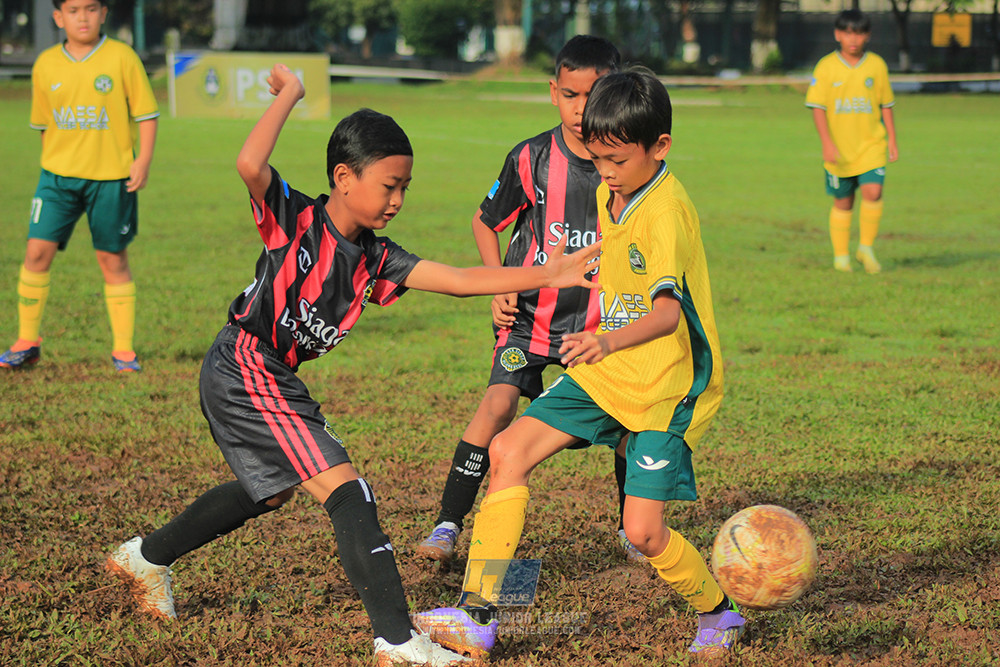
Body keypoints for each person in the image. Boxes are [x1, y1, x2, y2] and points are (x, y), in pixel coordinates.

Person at [104, 64, 599, 666]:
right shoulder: (297, 219)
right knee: (348, 489)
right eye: (389, 185)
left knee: (271, 493)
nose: (397, 199)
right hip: (244, 364)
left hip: (272, 375)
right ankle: (396, 640)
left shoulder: (376, 258)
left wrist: (550, 272)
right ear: (344, 178)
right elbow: (249, 166)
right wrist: (291, 94)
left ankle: (146, 557)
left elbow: (463, 279)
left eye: (405, 188)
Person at [413, 67, 745, 659]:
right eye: (597, 160)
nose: (606, 173)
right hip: (606, 374)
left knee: (644, 533)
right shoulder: (609, 189)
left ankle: (719, 616)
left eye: (617, 160)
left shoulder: (666, 213)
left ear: (659, 147)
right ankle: (478, 616)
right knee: (507, 450)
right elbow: (618, 270)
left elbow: (667, 314)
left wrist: (604, 341)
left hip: (664, 388)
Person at [414, 35, 643, 566]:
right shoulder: (531, 157)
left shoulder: (628, 164)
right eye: (570, 94)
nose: (582, 108)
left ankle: (632, 528)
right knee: (496, 407)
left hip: (597, 327)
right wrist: (501, 282)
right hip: (529, 321)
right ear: (553, 91)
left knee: (630, 425)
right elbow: (485, 220)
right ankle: (447, 524)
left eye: (594, 94)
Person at [0, 0, 158, 371]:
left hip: (111, 179)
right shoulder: (46, 64)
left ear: (103, 13)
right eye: (73, 10)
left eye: (90, 8)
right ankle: (26, 342)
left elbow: (146, 114)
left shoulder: (122, 57)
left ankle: (123, 351)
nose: (82, 17)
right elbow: (43, 126)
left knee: (112, 259)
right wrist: (55, 166)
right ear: (59, 17)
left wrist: (142, 160)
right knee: (36, 254)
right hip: (56, 180)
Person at [806, 9, 898, 274]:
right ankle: (841, 257)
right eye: (847, 32)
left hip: (872, 145)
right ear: (838, 34)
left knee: (873, 192)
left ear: (867, 36)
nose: (853, 38)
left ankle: (866, 248)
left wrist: (892, 138)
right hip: (840, 149)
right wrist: (826, 142)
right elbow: (817, 107)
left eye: (858, 33)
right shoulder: (826, 67)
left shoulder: (877, 65)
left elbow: (886, 104)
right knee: (843, 202)